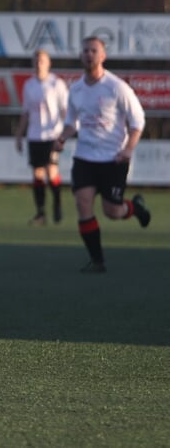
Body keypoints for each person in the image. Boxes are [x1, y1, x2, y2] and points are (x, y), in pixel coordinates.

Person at [55, 36, 150, 273]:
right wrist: (62, 138)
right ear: (81, 55)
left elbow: (138, 121)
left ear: (102, 56)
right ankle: (97, 261)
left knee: (112, 212)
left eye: (94, 50)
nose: (89, 54)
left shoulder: (117, 87)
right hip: (85, 157)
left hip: (113, 159)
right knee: (83, 203)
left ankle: (136, 208)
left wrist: (128, 150)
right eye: (85, 50)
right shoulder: (75, 89)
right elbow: (71, 123)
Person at [14, 49, 69, 226]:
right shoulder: (29, 85)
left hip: (52, 135)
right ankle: (41, 213)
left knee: (52, 173)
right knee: (38, 174)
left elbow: (65, 110)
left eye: (42, 61)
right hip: (34, 136)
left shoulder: (56, 84)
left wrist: (62, 133)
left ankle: (58, 205)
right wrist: (19, 135)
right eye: (36, 61)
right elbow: (26, 112)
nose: (39, 64)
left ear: (48, 63)